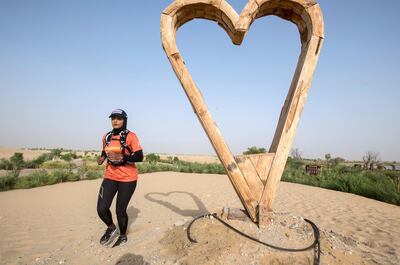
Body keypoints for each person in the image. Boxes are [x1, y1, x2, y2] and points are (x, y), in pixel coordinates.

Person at [96, 109, 144, 247]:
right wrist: (102, 158)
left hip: (128, 179)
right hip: (110, 176)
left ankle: (122, 236)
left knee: (120, 210)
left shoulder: (131, 136)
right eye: (113, 118)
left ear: (125, 120)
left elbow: (139, 156)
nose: (115, 121)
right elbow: (105, 152)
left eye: (119, 118)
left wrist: (123, 157)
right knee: (101, 209)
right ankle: (111, 227)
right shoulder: (106, 136)